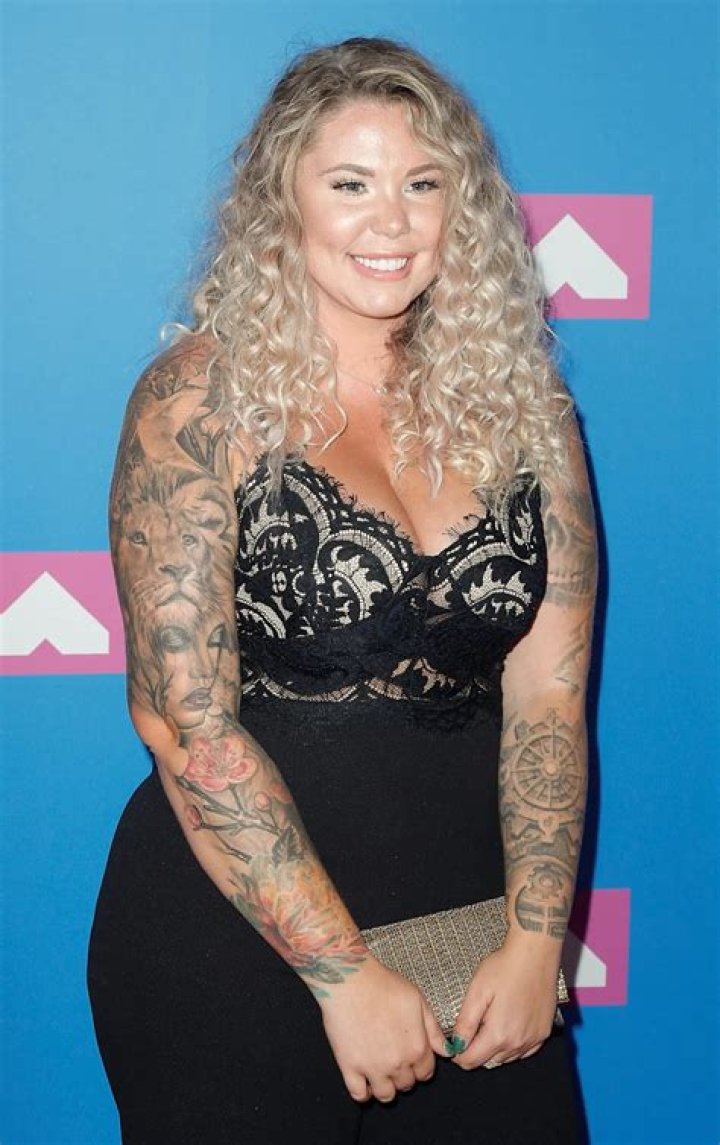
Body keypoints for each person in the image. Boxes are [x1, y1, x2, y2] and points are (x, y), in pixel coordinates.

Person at [87, 35, 597, 1144]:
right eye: (352, 184)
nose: (392, 221)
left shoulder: (527, 408)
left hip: (476, 935)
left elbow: (550, 701)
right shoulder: (199, 401)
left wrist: (534, 937)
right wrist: (343, 973)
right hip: (236, 941)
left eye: (425, 184)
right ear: (284, 203)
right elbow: (184, 722)